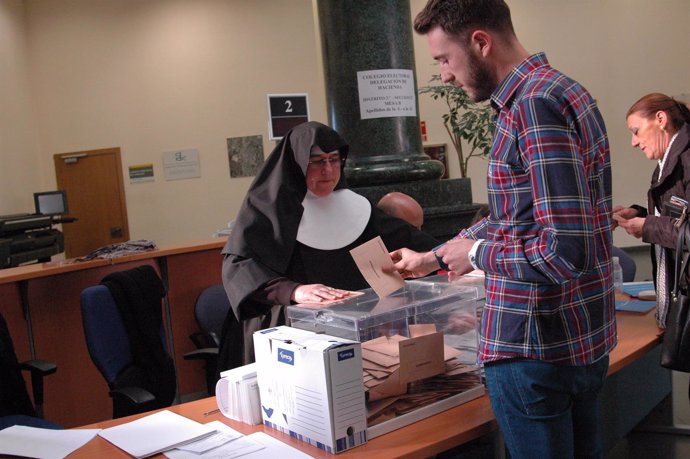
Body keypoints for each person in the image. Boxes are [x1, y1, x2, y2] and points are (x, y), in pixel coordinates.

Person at [391, 1, 616, 457]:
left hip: (535, 348)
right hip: (576, 343)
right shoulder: (563, 90)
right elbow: (520, 213)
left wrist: (474, 257)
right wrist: (435, 257)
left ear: (480, 42)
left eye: (443, 59)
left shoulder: (532, 106)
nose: (445, 76)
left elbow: (561, 252)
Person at [218, 121, 438, 371]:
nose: (329, 170)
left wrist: (450, 258)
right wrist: (294, 291)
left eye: (334, 160)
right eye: (317, 161)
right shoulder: (266, 210)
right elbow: (238, 268)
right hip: (286, 332)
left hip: (353, 331)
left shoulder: (358, 208)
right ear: (297, 163)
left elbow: (422, 247)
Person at [613, 94, 690, 330]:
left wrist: (647, 227)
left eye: (636, 131)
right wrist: (637, 214)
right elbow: (678, 217)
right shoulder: (667, 164)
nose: (633, 142)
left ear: (660, 119)